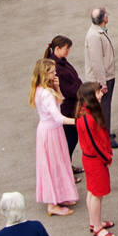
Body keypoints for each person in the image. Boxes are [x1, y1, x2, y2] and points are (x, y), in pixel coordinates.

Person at [31, 59, 78, 217]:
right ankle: (52, 204)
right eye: (52, 71)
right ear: (45, 74)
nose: (55, 73)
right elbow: (58, 117)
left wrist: (57, 87)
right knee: (53, 164)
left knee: (56, 163)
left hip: (50, 131)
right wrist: (78, 122)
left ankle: (59, 196)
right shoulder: (46, 94)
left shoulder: (41, 89)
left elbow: (60, 101)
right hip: (51, 132)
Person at [76, 81, 115, 236]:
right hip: (96, 160)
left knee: (92, 192)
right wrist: (107, 157)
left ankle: (94, 222)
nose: (101, 94)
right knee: (97, 194)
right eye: (98, 92)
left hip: (90, 159)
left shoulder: (83, 114)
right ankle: (98, 228)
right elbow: (94, 143)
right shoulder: (89, 118)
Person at [46, 35, 83, 173]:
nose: (68, 51)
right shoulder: (57, 67)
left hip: (71, 107)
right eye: (66, 49)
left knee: (71, 140)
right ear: (57, 48)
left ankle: (67, 166)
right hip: (68, 109)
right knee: (69, 140)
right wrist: (83, 92)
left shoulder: (61, 62)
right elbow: (68, 90)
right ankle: (65, 170)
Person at [84, 7, 118, 148]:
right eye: (106, 14)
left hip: (105, 75)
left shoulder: (98, 31)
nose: (108, 15)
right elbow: (96, 62)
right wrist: (102, 83)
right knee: (104, 108)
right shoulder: (94, 36)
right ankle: (105, 137)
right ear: (103, 19)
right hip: (101, 78)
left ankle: (107, 131)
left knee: (106, 106)